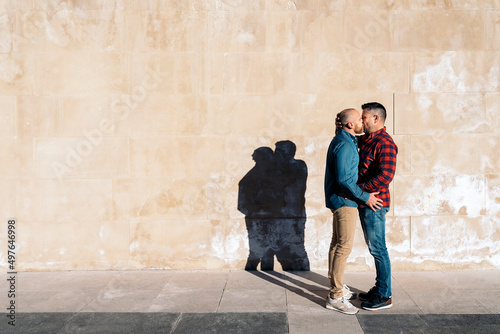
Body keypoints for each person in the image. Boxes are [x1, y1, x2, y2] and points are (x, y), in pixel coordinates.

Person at [337, 102, 398, 311]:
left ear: (375, 119)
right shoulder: (367, 140)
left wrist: (359, 190)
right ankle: (380, 286)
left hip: (375, 204)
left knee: (378, 248)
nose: (361, 121)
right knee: (375, 248)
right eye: (360, 118)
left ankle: (384, 294)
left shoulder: (385, 143)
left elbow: (386, 176)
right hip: (366, 202)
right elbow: (348, 132)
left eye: (364, 118)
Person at [324, 108, 383, 315]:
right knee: (343, 247)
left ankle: (336, 287)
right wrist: (366, 197)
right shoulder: (344, 145)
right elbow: (344, 180)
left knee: (336, 244)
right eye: (359, 119)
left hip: (341, 199)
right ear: (350, 125)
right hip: (345, 201)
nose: (362, 122)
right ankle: (335, 295)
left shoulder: (346, 140)